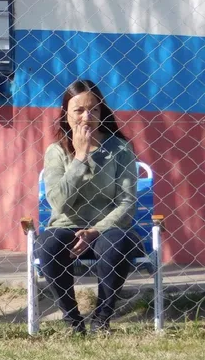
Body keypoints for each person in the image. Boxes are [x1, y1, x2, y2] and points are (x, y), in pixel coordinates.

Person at [40, 80, 138, 334]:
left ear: (101, 112)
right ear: (66, 114)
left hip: (108, 229)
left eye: (93, 109)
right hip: (67, 226)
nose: (87, 116)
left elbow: (126, 203)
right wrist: (80, 157)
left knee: (117, 244)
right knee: (48, 246)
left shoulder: (119, 148)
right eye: (78, 110)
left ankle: (102, 318)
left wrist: (95, 230)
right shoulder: (56, 152)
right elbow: (58, 203)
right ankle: (73, 320)